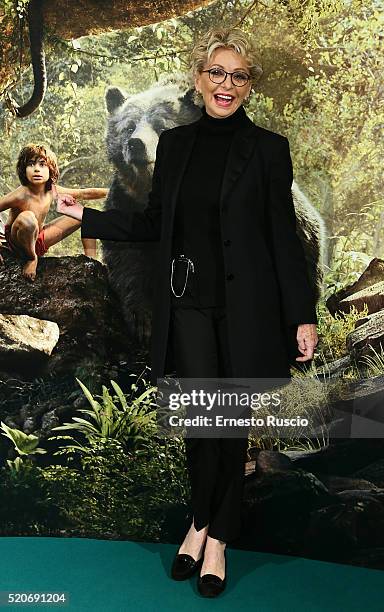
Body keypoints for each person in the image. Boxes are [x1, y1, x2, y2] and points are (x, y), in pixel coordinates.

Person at [57, 27, 319, 598]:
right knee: (205, 419)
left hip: (250, 305)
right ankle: (203, 520)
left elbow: (285, 238)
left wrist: (302, 314)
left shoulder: (269, 150)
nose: (226, 85)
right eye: (216, 73)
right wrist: (87, 218)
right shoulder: (176, 147)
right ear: (198, 81)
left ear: (247, 85)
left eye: (238, 75)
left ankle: (214, 536)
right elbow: (152, 226)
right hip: (190, 305)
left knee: (230, 420)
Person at [0, 143, 106, 280]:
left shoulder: (51, 190)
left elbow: (85, 194)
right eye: (31, 164)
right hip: (17, 244)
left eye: (42, 164)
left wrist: (114, 192)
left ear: (50, 169)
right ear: (23, 169)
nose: (37, 169)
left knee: (86, 215)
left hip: (37, 240)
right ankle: (32, 259)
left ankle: (92, 263)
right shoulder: (20, 194)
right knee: (27, 218)